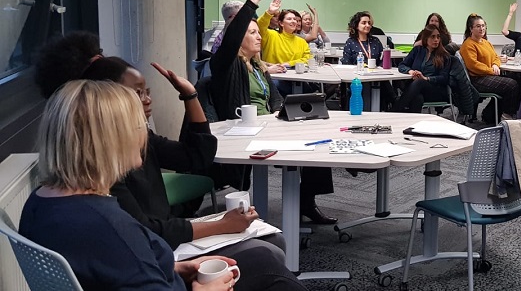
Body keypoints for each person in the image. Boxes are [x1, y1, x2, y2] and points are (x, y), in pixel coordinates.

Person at [19, 80, 308, 291]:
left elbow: (109, 271)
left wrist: (174, 269)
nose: (145, 134)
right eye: (138, 126)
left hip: (168, 273)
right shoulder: (109, 225)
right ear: (113, 140)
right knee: (274, 274)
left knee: (261, 256)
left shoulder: (41, 201)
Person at [33, 32, 288, 264]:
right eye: (137, 93)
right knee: (269, 253)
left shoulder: (140, 136)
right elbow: (146, 234)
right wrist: (221, 225)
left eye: (147, 91)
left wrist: (190, 96)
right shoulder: (99, 167)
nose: (147, 100)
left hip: (163, 242)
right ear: (109, 101)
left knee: (271, 246)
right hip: (160, 247)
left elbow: (197, 157)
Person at [210, 0, 337, 225]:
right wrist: (251, 4)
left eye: (259, 32)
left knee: (318, 139)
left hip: (268, 124)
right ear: (236, 38)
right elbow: (230, 41)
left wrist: (283, 112)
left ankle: (306, 201)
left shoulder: (257, 65)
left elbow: (276, 97)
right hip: (243, 131)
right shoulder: (226, 65)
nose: (259, 37)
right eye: (252, 33)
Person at [460, 13, 519, 122]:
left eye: (483, 25)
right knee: (511, 85)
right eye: (478, 26)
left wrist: (495, 64)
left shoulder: (486, 43)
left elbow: (496, 57)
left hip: (487, 75)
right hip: (477, 79)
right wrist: (491, 70)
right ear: (471, 29)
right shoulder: (468, 45)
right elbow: (473, 65)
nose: (481, 28)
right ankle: (507, 116)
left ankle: (490, 115)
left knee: (517, 79)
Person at [341, 11, 396, 110]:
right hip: (358, 77)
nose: (367, 25)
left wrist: (379, 67)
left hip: (376, 75)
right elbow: (346, 62)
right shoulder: (351, 42)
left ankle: (392, 106)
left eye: (369, 23)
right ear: (356, 25)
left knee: (386, 86)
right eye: (364, 23)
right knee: (364, 87)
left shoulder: (375, 41)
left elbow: (381, 59)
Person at [258, 0, 311, 96]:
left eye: (295, 19)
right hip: (275, 77)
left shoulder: (301, 41)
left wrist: (288, 64)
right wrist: (269, 12)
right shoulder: (271, 35)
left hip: (297, 79)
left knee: (312, 89)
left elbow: (308, 59)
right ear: (281, 23)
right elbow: (260, 26)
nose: (293, 21)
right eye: (289, 19)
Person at [393, 25, 450, 113]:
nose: (436, 40)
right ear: (426, 38)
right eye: (433, 37)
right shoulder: (418, 50)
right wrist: (411, 71)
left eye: (438, 37)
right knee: (417, 98)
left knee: (420, 82)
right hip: (417, 90)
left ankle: (394, 111)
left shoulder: (444, 55)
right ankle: (410, 124)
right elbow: (402, 65)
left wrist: (426, 78)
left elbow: (444, 78)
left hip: (436, 91)